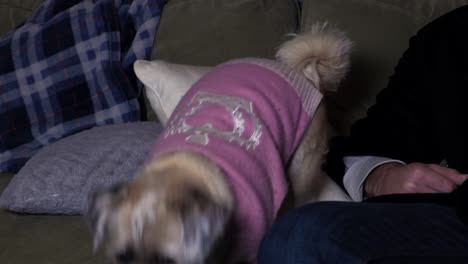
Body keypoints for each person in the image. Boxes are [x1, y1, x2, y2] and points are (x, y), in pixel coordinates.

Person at [258, 5, 468, 264]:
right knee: (301, 234)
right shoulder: (448, 39)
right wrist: (380, 174)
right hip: (455, 223)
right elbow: (372, 143)